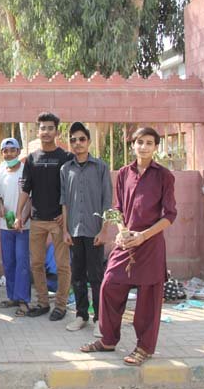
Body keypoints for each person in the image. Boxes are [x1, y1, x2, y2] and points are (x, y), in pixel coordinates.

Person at [81, 127, 176, 367]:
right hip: (126, 243)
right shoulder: (124, 173)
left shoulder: (164, 176)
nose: (143, 146)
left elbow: (170, 215)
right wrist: (122, 232)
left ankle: (144, 347)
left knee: (148, 300)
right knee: (109, 285)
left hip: (150, 243)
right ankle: (109, 339)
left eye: (149, 143)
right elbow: (118, 209)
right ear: (133, 145)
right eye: (139, 142)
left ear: (156, 147)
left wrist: (143, 236)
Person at [14, 112, 73, 320]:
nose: (46, 132)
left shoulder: (66, 158)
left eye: (50, 128)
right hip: (37, 220)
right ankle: (42, 302)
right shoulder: (32, 159)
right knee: (36, 264)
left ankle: (61, 305)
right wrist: (20, 215)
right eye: (42, 128)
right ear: (37, 131)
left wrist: (67, 217)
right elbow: (25, 190)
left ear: (56, 131)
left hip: (58, 220)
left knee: (62, 265)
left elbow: (71, 191)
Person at [61, 122, 112, 334]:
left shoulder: (100, 167)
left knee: (96, 276)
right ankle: (81, 315)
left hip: (94, 231)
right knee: (78, 276)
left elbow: (107, 201)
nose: (77, 143)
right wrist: (65, 230)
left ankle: (100, 319)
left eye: (81, 139)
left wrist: (104, 230)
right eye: (73, 140)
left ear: (88, 142)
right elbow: (64, 201)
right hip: (74, 231)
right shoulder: (66, 169)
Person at [0, 138, 31, 316]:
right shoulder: (0, 171)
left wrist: (23, 217)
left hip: (24, 226)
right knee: (8, 261)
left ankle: (24, 300)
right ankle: (12, 297)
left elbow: (31, 198)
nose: (8, 153)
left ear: (18, 151)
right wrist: (0, 207)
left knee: (22, 262)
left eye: (12, 150)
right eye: (5, 150)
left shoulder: (26, 170)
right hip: (5, 225)